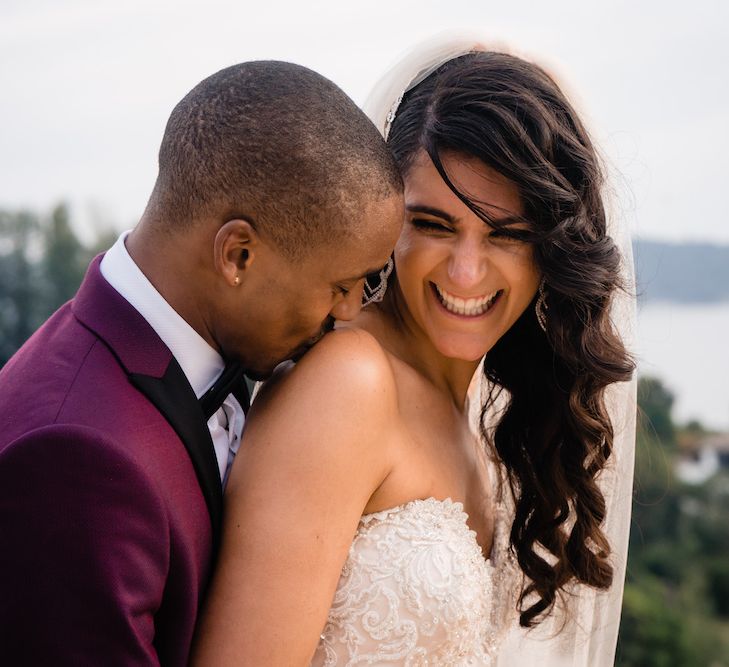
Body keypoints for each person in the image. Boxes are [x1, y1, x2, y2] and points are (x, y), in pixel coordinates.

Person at [192, 36, 637, 667]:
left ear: (553, 250)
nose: (464, 273)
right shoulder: (348, 383)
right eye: (432, 225)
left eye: (506, 235)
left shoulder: (485, 419)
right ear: (387, 219)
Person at [0, 61, 403, 665]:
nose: (348, 313)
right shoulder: (76, 458)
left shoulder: (201, 361)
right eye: (339, 285)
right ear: (238, 255)